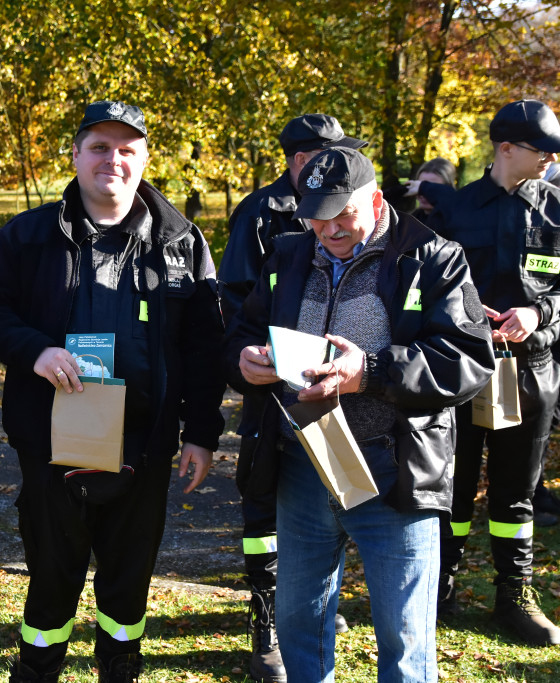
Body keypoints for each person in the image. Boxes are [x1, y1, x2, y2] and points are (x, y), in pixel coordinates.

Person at [0, 100, 222, 682]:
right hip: (52, 443)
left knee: (128, 584)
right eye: (100, 147)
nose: (114, 160)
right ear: (77, 155)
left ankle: (119, 670)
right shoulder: (29, 236)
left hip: (145, 445)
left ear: (145, 159)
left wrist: (202, 435)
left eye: (127, 150)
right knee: (52, 581)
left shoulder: (181, 242)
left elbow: (206, 349)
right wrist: (35, 350)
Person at [222, 146, 493, 681]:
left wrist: (369, 372)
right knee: (300, 623)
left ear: (375, 199)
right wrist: (245, 360)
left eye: (342, 213)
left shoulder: (434, 257)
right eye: (316, 215)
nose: (329, 228)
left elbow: (467, 359)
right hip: (303, 465)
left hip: (394, 472)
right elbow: (247, 329)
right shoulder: (288, 255)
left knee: (404, 638)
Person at [217, 113, 366, 683]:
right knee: (264, 503)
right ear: (300, 161)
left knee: (335, 501)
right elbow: (232, 300)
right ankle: (266, 625)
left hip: (341, 389)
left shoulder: (354, 211)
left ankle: (310, 605)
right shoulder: (260, 213)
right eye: (325, 157)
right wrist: (251, 357)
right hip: (271, 391)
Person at [424, 99, 560, 645]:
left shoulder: (556, 210)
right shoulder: (454, 212)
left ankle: (515, 594)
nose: (552, 158)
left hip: (532, 372)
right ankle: (441, 586)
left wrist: (538, 314)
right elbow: (425, 291)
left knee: (516, 491)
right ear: (506, 148)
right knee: (452, 487)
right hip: (464, 372)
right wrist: (465, 316)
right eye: (542, 149)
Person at [407, 157, 457, 224]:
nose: (422, 194)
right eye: (419, 185)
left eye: (430, 188)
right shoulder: (409, 221)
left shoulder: (456, 223)